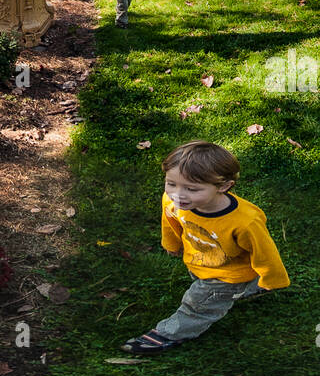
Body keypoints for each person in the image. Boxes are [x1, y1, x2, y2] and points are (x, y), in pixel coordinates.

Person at [122, 140, 289, 353]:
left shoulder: (245, 221)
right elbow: (170, 221)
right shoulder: (174, 201)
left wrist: (273, 279)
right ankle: (247, 289)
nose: (178, 194)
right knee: (205, 287)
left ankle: (168, 334)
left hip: (227, 275)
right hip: (200, 262)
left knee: (197, 304)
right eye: (171, 183)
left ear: (223, 186)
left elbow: (265, 252)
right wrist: (171, 244)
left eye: (192, 189)